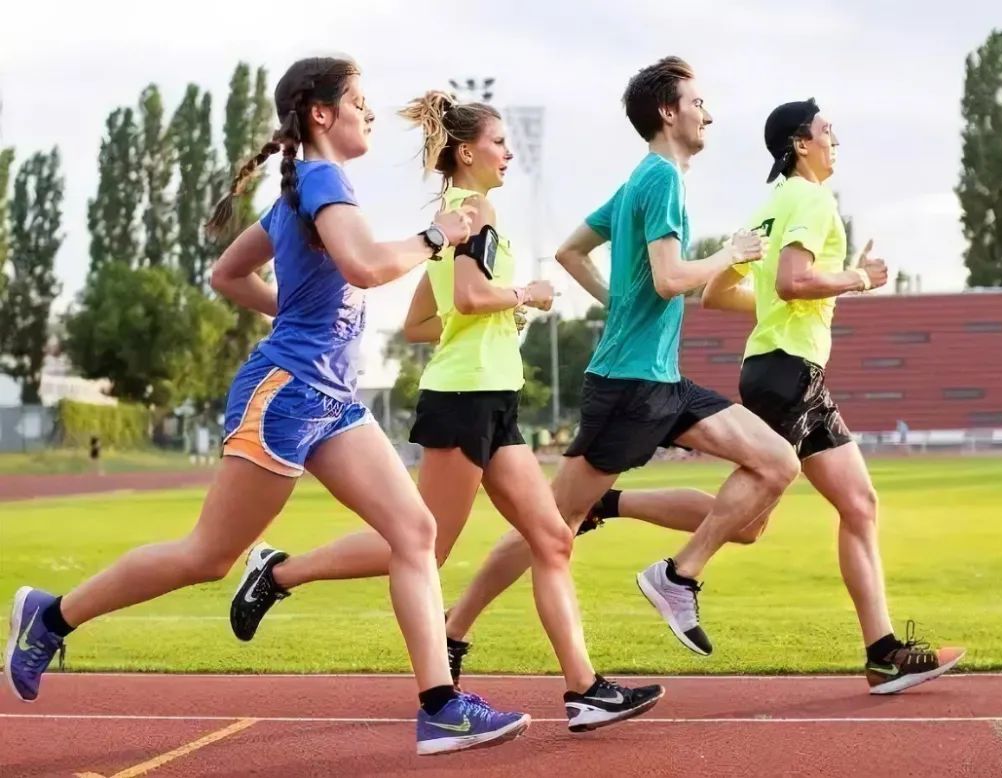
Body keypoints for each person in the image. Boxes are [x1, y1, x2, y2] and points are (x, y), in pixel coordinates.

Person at [4, 56, 529, 756]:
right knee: (208, 556)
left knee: (415, 533)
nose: (369, 113)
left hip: (332, 398)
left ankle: (440, 707)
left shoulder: (303, 188)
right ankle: (52, 616)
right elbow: (368, 268)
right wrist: (442, 233)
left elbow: (230, 273)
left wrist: (306, 315)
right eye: (360, 101)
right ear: (321, 113)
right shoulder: (319, 181)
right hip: (285, 396)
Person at [229, 91, 664, 733]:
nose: (508, 152)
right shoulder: (471, 211)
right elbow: (467, 292)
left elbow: (422, 322)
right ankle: (280, 571)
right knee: (423, 548)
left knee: (551, 538)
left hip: (494, 395)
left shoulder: (461, 214)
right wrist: (526, 295)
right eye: (498, 142)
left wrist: (492, 315)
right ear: (467, 152)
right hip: (462, 402)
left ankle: (586, 690)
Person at [577, 98, 966, 695]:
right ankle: (675, 571)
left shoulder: (771, 203)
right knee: (755, 512)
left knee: (852, 505)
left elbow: (724, 295)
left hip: (785, 368)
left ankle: (883, 652)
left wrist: (811, 296)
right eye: (825, 130)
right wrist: (857, 279)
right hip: (788, 373)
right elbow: (791, 280)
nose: (834, 138)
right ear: (800, 144)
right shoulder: (811, 200)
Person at [436, 56, 801, 671]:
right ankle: (454, 629)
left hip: (662, 379)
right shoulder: (658, 180)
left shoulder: (642, 181)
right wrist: (727, 255)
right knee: (553, 522)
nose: (707, 112)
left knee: (774, 467)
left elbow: (569, 251)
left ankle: (677, 575)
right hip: (629, 384)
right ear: (667, 112)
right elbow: (667, 280)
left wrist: (616, 303)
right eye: (697, 102)